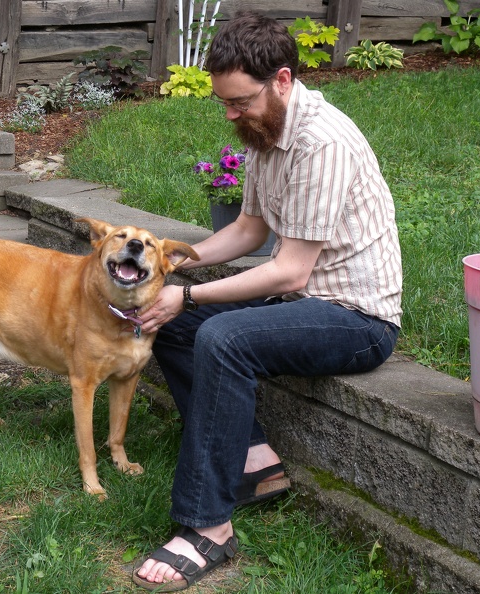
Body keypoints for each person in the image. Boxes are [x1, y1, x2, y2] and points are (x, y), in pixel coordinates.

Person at [132, 10, 403, 591]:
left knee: (220, 336)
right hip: (303, 302)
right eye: (224, 103)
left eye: (240, 102)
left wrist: (189, 295)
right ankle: (255, 461)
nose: (231, 115)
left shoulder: (321, 143)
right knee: (170, 326)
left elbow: (288, 271)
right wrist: (172, 261)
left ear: (281, 80)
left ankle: (209, 525)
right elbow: (249, 230)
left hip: (357, 319)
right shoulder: (265, 131)